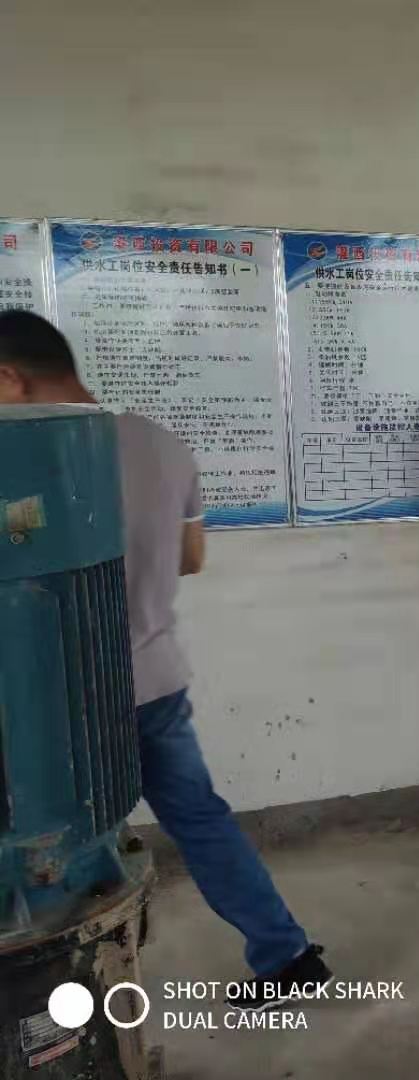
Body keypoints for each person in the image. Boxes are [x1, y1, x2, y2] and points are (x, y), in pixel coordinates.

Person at [0, 310, 331, 1010]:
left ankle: (65, 1001)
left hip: (52, 707)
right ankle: (287, 955)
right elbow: (192, 557)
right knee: (200, 820)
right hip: (153, 680)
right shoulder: (162, 442)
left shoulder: (25, 454)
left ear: (10, 378)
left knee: (55, 853)